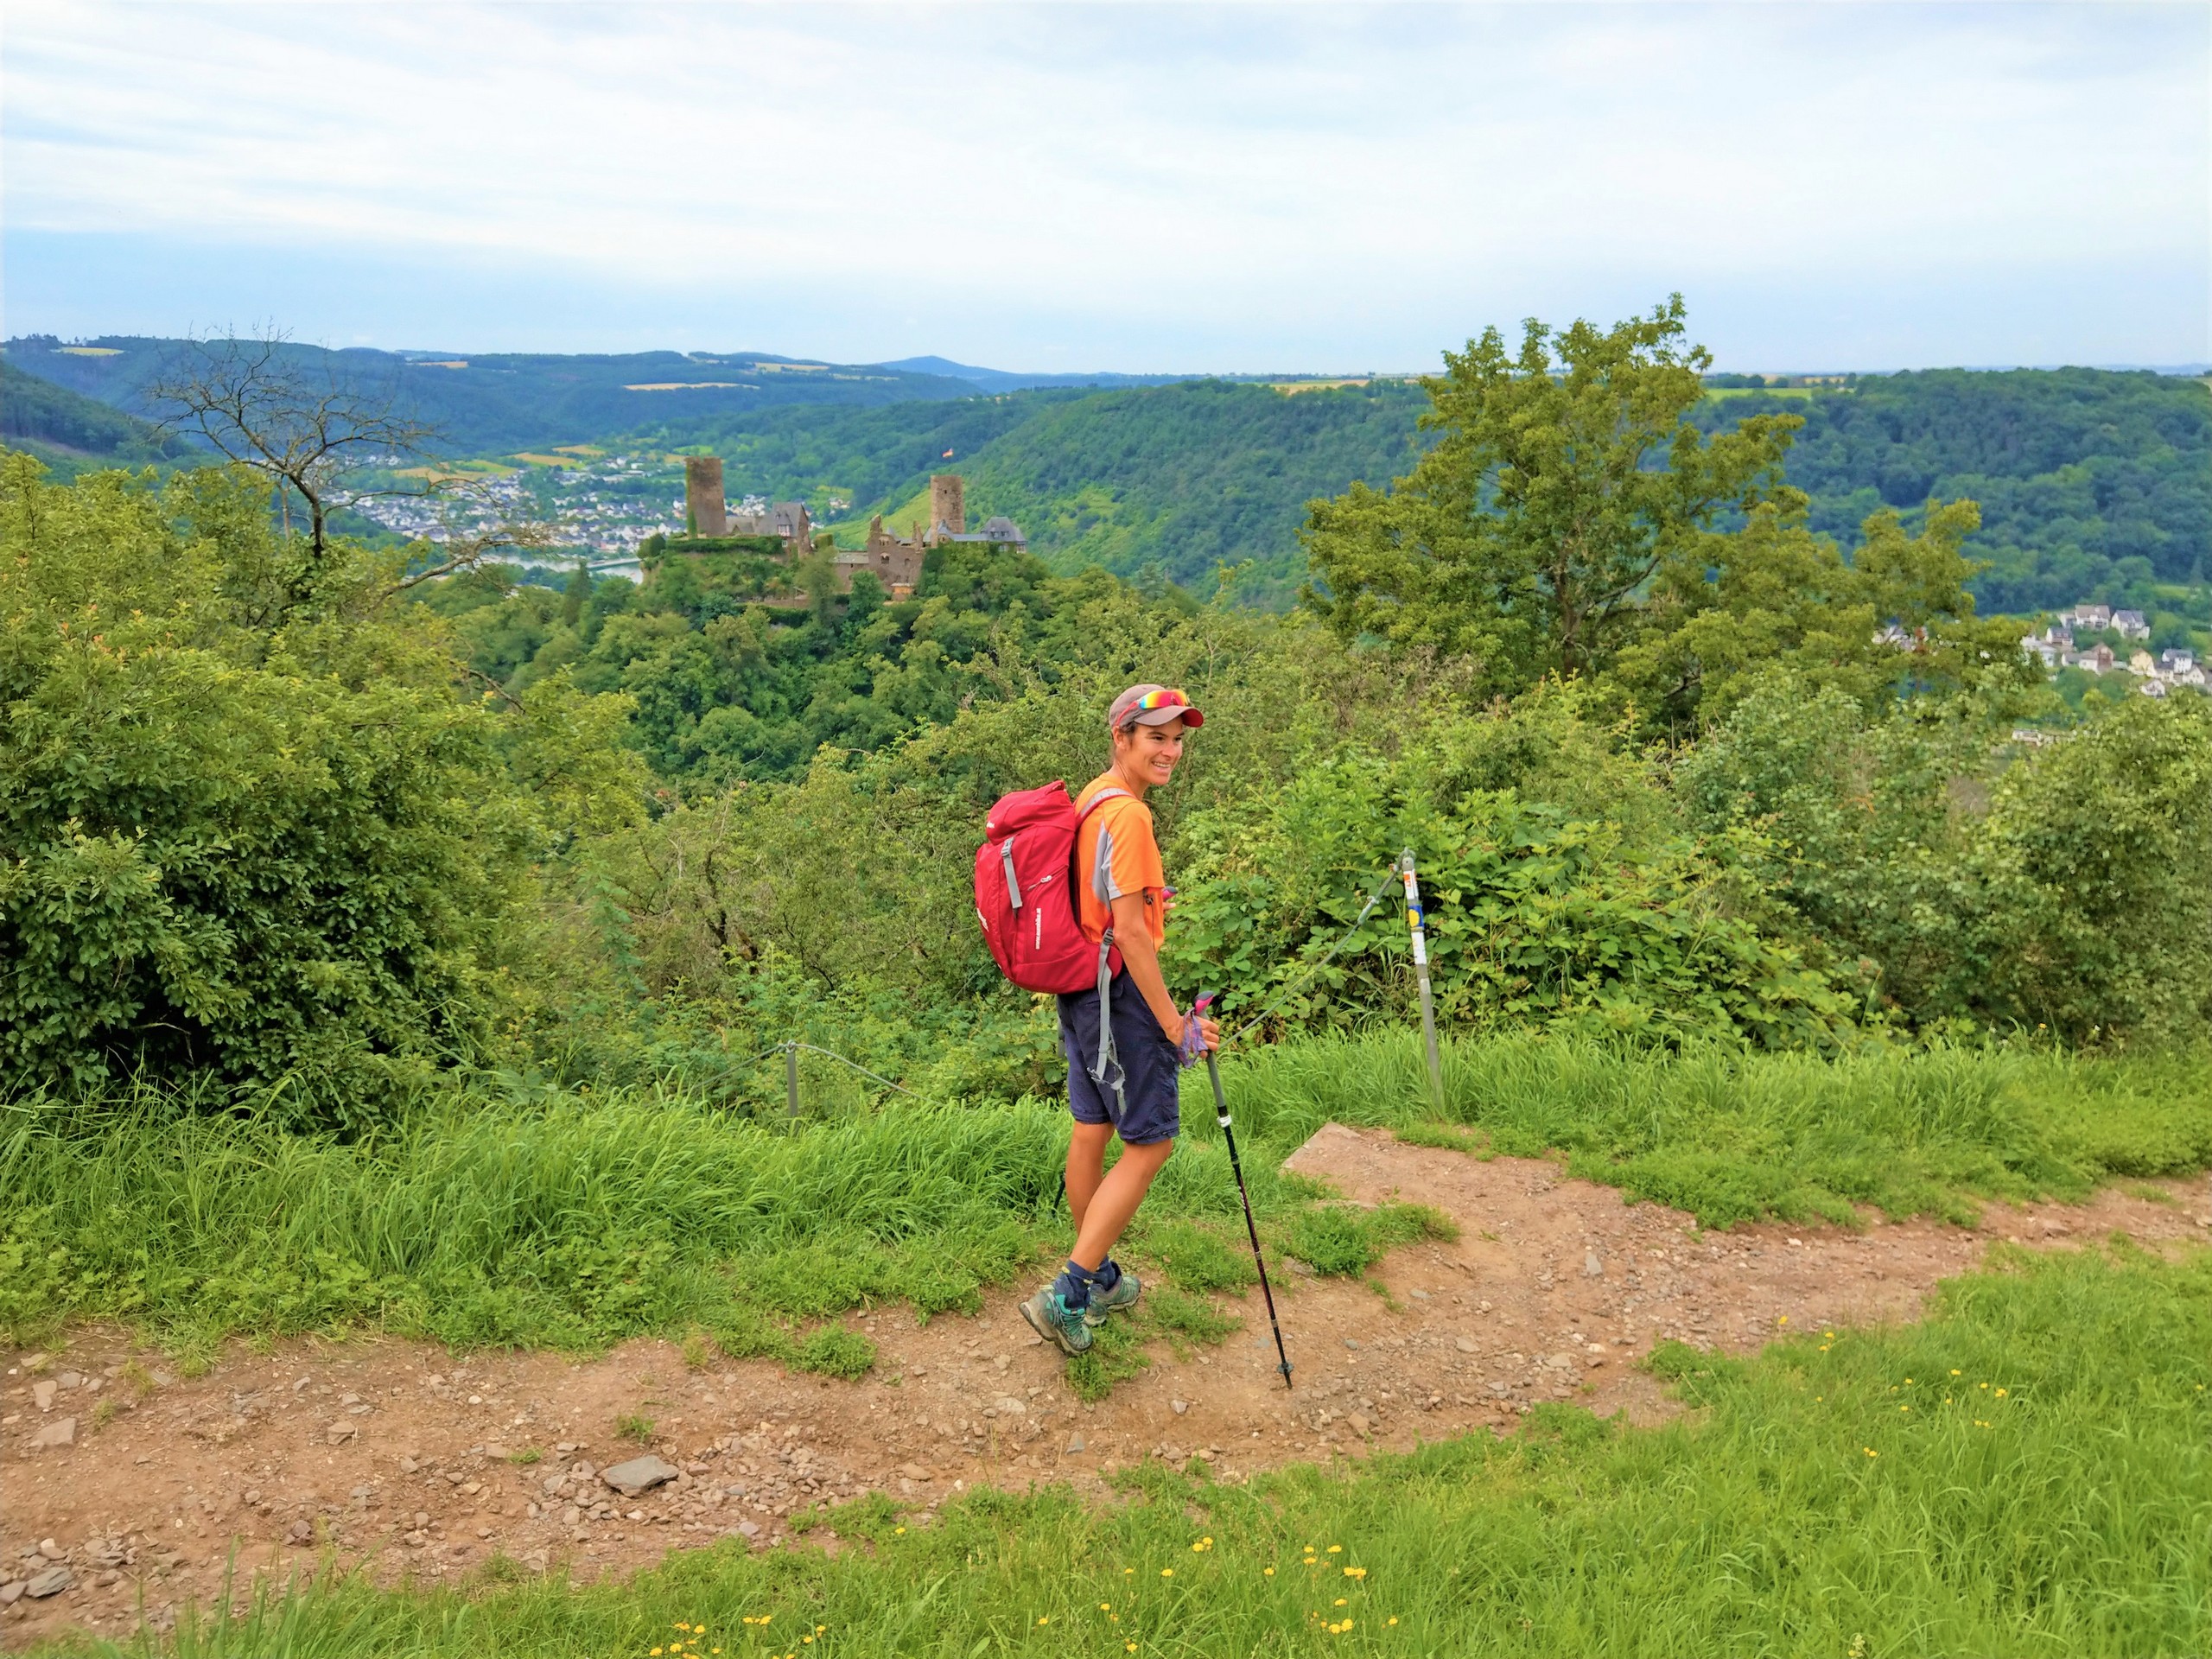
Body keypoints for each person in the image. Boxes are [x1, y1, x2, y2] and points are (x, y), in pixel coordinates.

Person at [1020, 684, 1221, 1356]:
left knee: (1091, 1129)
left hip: (1081, 990)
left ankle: (1099, 1276)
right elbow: (1132, 934)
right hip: (1121, 998)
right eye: (1156, 737)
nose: (1170, 750)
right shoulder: (1130, 817)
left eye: (1177, 738)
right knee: (1151, 1142)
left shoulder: (1091, 797)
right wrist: (1174, 1027)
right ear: (1122, 737)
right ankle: (1071, 1291)